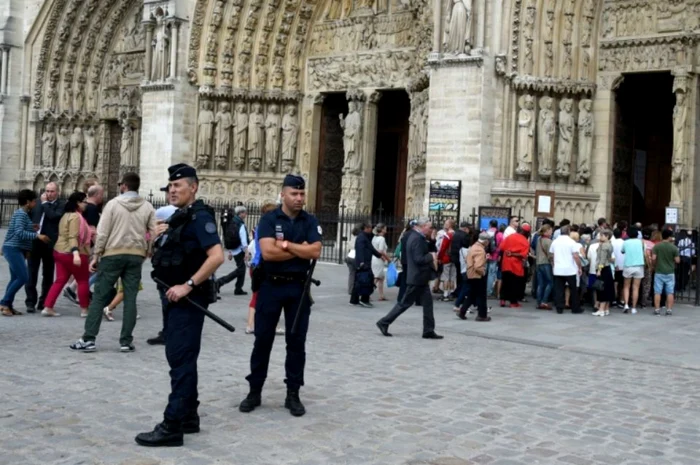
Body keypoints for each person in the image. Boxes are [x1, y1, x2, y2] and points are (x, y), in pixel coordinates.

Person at [135, 164, 225, 447]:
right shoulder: (179, 218)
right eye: (170, 186)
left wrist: (188, 283)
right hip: (172, 298)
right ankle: (189, 416)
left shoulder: (199, 217)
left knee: (181, 361)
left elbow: (217, 256)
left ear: (193, 187)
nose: (172, 190)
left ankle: (172, 425)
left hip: (188, 300)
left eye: (178, 186)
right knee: (182, 359)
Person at [238, 174, 322, 418]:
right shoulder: (269, 219)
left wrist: (285, 245)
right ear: (283, 194)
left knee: (296, 343)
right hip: (270, 286)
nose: (299, 198)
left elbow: (315, 251)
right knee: (262, 340)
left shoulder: (310, 220)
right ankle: (255, 391)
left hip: (298, 288)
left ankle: (293, 394)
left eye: (302, 194)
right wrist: (300, 249)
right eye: (294, 194)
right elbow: (268, 253)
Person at [70, 172, 156, 353]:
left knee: (100, 296)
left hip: (113, 254)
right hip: (135, 255)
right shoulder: (147, 206)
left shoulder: (113, 204)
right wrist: (148, 249)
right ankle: (126, 341)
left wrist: (96, 255)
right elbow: (153, 231)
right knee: (130, 297)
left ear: (124, 185)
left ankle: (89, 339)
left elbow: (102, 232)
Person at [376, 218, 443, 339]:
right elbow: (418, 259)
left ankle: (428, 330)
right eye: (429, 227)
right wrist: (430, 256)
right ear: (422, 226)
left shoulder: (416, 236)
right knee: (404, 303)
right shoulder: (416, 238)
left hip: (420, 277)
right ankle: (384, 322)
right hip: (417, 277)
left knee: (427, 304)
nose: (431, 229)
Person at [41, 192, 92, 318]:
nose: (86, 204)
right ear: (78, 203)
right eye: (84, 201)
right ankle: (85, 309)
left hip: (59, 251)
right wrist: (76, 253)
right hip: (72, 252)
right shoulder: (76, 217)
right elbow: (73, 236)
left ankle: (48, 306)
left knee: (60, 280)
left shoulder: (65, 215)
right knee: (82, 281)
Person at [1, 190, 49, 316]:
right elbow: (19, 233)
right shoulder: (21, 214)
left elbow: (19, 229)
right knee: (23, 277)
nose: (35, 203)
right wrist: (37, 236)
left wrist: (32, 227)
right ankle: (4, 302)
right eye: (34, 201)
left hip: (18, 249)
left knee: (14, 278)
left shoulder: (23, 214)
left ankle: (8, 305)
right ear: (28, 202)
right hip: (13, 249)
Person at [244, 202, 284, 335]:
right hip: (263, 266)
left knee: (266, 296)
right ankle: (251, 325)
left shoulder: (261, 227)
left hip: (257, 265)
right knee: (263, 296)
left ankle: (267, 324)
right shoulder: (267, 229)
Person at [25, 182, 65, 313]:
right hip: (35, 242)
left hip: (50, 243)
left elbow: (54, 216)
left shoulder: (61, 205)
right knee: (31, 273)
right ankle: (30, 301)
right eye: (47, 191)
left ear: (58, 192)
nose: (49, 194)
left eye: (52, 191)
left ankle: (43, 302)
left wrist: (45, 204)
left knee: (48, 274)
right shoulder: (36, 203)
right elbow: (29, 219)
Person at [63, 184, 104, 305]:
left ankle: (77, 290)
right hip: (90, 245)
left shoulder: (86, 209)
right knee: (96, 268)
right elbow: (92, 231)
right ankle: (78, 290)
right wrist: (99, 248)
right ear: (97, 195)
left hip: (83, 245)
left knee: (89, 269)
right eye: (101, 195)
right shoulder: (92, 209)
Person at [146, 203, 179, 346]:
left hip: (168, 276)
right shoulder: (164, 236)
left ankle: (169, 333)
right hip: (162, 275)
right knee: (166, 304)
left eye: (159, 221)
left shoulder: (170, 236)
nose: (156, 224)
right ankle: (168, 330)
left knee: (168, 305)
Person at [350, 223, 388, 307]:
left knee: (359, 281)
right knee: (366, 281)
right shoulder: (361, 237)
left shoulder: (366, 236)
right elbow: (359, 251)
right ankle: (364, 300)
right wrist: (361, 262)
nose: (372, 229)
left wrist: (379, 255)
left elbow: (371, 248)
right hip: (363, 263)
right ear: (366, 228)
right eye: (371, 228)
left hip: (366, 262)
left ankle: (354, 300)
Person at [458, 232, 491, 321]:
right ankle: (482, 315)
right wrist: (483, 272)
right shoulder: (480, 250)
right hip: (477, 275)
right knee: (481, 296)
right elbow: (478, 266)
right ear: (486, 241)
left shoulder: (473, 247)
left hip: (470, 274)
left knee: (472, 295)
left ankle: (462, 311)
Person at [550, 225, 582, 314]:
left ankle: (559, 307)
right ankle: (575, 308)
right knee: (573, 289)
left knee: (559, 289)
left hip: (558, 269)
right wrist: (579, 267)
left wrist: (554, 265)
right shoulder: (572, 242)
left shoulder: (555, 242)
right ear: (568, 232)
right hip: (569, 269)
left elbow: (552, 256)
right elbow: (576, 256)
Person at [218, 205, 249, 295]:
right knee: (241, 269)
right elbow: (243, 240)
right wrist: (246, 251)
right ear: (241, 213)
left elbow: (229, 236)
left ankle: (238, 288)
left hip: (234, 249)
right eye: (245, 213)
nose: (246, 214)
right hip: (239, 250)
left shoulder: (232, 222)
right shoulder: (240, 224)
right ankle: (220, 282)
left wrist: (230, 251)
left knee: (241, 269)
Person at [499, 225, 530, 308]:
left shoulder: (510, 237)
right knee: (514, 283)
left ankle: (503, 299)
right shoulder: (525, 241)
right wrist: (514, 254)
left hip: (506, 263)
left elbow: (501, 247)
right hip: (516, 265)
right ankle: (513, 302)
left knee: (505, 282)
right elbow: (523, 254)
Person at [652, 230, 680, 316]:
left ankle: (657, 309)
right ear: (669, 237)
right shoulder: (674, 248)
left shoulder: (656, 246)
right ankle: (669, 310)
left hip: (659, 271)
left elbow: (653, 258)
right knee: (670, 292)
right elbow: (677, 260)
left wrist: (655, 265)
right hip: (670, 272)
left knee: (657, 291)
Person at [621, 226, 645, 314]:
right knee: (636, 288)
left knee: (626, 286)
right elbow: (644, 251)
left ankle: (626, 304)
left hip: (628, 265)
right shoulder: (641, 242)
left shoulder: (626, 242)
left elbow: (622, 251)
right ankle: (634, 307)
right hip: (639, 266)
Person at [592, 230, 615, 317]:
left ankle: (601, 309)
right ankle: (606, 309)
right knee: (607, 288)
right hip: (608, 268)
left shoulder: (604, 246)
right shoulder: (610, 245)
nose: (600, 237)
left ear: (607, 236)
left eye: (602, 235)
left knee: (602, 289)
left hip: (603, 268)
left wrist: (599, 270)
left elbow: (602, 259)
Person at [396, 220, 416, 302]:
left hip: (404, 259)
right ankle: (409, 297)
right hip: (410, 260)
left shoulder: (405, 234)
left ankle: (401, 297)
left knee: (405, 279)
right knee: (411, 279)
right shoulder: (413, 235)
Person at [535, 224, 553, 310]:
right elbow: (550, 255)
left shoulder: (539, 239)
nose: (551, 232)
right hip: (546, 263)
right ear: (547, 231)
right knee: (550, 282)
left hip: (538, 263)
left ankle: (539, 302)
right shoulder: (549, 241)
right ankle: (544, 301)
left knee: (540, 284)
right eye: (550, 230)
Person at [371, 223, 389, 301]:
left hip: (374, 258)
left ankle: (381, 295)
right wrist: (387, 259)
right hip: (379, 259)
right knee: (377, 278)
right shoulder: (382, 238)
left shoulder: (374, 237)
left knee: (381, 277)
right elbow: (381, 251)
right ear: (382, 229)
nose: (386, 230)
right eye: (385, 228)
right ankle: (367, 293)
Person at [345, 226, 360, 296]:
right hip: (355, 257)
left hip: (349, 256)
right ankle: (356, 289)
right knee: (357, 274)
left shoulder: (352, 239)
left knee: (351, 274)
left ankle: (350, 289)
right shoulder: (359, 239)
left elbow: (349, 249)